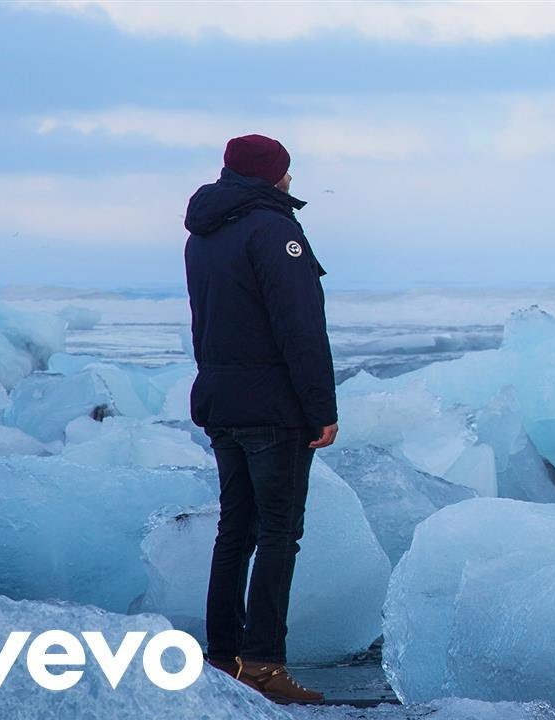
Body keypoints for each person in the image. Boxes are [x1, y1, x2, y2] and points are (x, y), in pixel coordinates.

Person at [183, 134, 338, 705]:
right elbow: (298, 326)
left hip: (223, 399)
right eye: (286, 171)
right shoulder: (275, 230)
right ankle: (266, 665)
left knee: (235, 530)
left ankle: (222, 657)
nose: (292, 181)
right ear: (270, 174)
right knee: (278, 534)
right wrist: (321, 408)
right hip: (273, 408)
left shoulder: (204, 233)